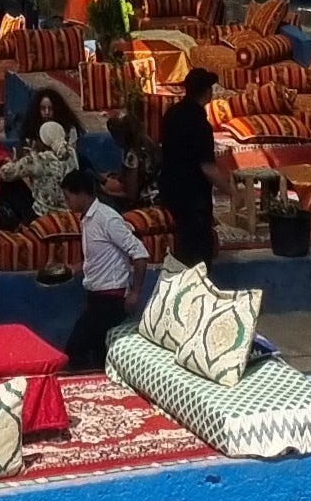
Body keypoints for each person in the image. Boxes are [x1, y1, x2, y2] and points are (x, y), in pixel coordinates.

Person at [61, 165, 155, 372]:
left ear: (81, 194)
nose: (67, 203)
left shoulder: (107, 218)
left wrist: (135, 293)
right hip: (95, 296)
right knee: (98, 351)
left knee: (75, 348)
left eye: (68, 198)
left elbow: (139, 253)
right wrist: (71, 269)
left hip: (111, 298)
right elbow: (96, 260)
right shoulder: (87, 220)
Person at [159, 65, 220, 270]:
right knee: (198, 253)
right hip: (193, 198)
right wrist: (231, 189)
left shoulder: (171, 114)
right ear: (206, 92)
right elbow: (207, 167)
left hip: (170, 188)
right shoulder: (200, 125)